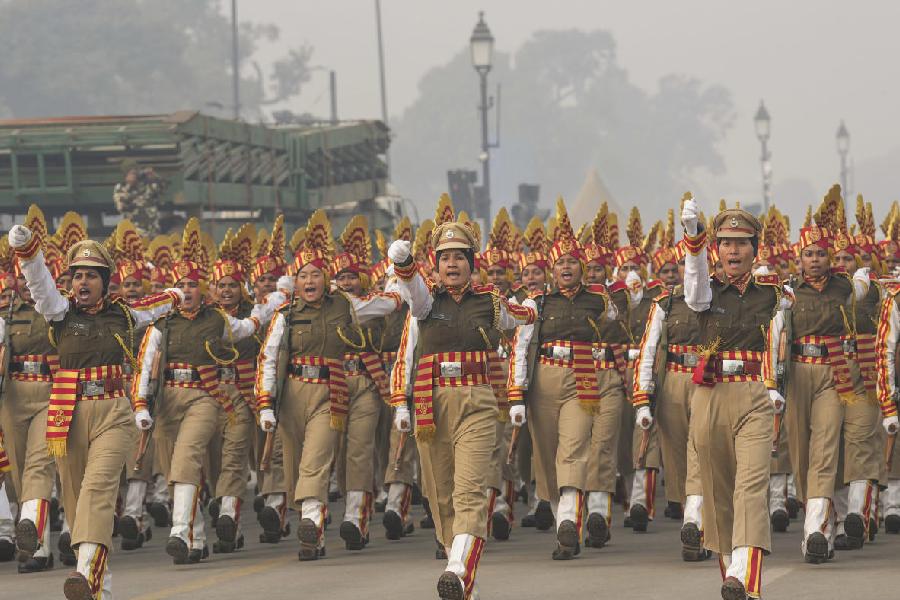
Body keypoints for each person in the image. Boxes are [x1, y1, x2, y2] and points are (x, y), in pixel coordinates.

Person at [8, 221, 183, 600]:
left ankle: (85, 572)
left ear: (105, 281)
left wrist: (176, 294)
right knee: (74, 500)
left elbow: (156, 306)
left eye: (91, 276)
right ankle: (97, 584)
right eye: (77, 276)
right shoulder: (59, 312)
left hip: (112, 413)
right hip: (66, 412)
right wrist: (27, 252)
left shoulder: (124, 315)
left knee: (97, 490)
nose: (82, 282)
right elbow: (38, 282)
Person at [388, 211, 536, 599]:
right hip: (430, 404)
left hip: (477, 401)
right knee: (438, 494)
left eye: (459, 256)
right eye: (444, 257)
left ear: (472, 263)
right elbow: (406, 350)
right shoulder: (424, 303)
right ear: (435, 266)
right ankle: (459, 568)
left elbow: (524, 318)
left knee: (470, 489)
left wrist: (531, 308)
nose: (451, 263)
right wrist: (400, 403)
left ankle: (458, 570)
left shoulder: (489, 301)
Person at [132, 218, 284, 566]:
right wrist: (141, 405)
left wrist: (271, 303)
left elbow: (248, 328)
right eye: (181, 284)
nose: (186, 290)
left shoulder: (217, 320)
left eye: (193, 284)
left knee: (197, 458)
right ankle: (196, 537)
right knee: (177, 468)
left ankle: (182, 529)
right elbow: (145, 365)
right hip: (168, 401)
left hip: (209, 397)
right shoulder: (161, 323)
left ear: (205, 289)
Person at [256, 209, 400, 561]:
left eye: (316, 274)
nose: (309, 280)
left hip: (336, 390)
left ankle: (320, 523)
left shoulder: (346, 305)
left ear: (327, 279)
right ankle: (310, 519)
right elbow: (269, 358)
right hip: (292, 395)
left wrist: (403, 280)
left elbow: (385, 306)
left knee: (324, 456)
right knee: (293, 462)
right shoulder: (285, 316)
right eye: (303, 275)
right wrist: (265, 404)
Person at [681, 199, 787, 600]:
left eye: (742, 243)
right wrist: (693, 239)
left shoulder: (772, 296)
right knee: (718, 492)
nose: (733, 251)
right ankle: (734, 577)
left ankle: (743, 578)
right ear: (717, 249)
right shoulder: (706, 291)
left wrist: (777, 389)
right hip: (709, 396)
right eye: (725, 243)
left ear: (755, 250)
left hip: (754, 396)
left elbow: (781, 341)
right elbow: (693, 287)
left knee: (750, 487)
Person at [509, 198, 610, 560]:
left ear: (583, 268)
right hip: (543, 381)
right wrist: (517, 394)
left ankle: (569, 518)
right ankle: (562, 530)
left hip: (582, 378)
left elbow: (617, 317)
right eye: (560, 263)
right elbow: (521, 347)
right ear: (552, 270)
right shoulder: (538, 304)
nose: (566, 268)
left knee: (574, 448)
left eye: (572, 262)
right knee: (547, 455)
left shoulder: (598, 300)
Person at [0, 207, 59, 574]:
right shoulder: (10, 313)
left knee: (39, 466)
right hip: (14, 395)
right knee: (19, 473)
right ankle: (32, 536)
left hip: (50, 393)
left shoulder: (60, 310)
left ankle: (36, 547)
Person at [112, 159, 164, 238]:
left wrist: (154, 177)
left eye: (135, 171)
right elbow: (121, 207)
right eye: (131, 172)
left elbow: (162, 188)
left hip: (153, 231)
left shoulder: (146, 184)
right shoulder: (121, 187)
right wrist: (129, 185)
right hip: (135, 234)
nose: (134, 174)